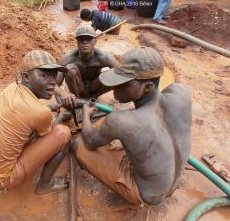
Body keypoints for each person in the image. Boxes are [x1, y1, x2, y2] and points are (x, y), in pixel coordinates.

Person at [72, 47, 192, 210]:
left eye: (123, 84)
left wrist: (86, 115)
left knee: (78, 144)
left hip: (149, 195)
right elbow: (153, 117)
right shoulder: (180, 93)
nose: (114, 88)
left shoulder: (119, 121)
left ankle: (130, 199)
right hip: (174, 182)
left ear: (148, 87)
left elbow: (90, 141)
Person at [0, 50, 72, 194]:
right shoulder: (39, 112)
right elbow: (46, 135)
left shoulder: (11, 88)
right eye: (44, 75)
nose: (52, 82)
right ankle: (44, 186)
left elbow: (28, 111)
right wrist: (61, 116)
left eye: (54, 75)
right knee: (63, 133)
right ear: (26, 77)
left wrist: (50, 108)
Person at [55, 26, 118, 108]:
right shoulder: (68, 58)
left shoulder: (104, 57)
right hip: (77, 88)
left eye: (89, 39)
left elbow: (121, 74)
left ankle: (93, 98)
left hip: (94, 87)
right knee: (70, 70)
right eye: (81, 39)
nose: (85, 42)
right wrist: (63, 94)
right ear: (77, 42)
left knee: (113, 73)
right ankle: (77, 100)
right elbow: (53, 84)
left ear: (95, 41)